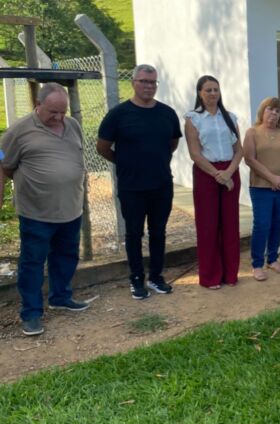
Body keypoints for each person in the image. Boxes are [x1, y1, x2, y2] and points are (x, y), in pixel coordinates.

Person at [1, 83, 89, 336]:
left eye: (63, 111)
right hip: (36, 212)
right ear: (37, 105)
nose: (59, 117)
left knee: (66, 256)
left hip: (70, 208)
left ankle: (60, 297)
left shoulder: (73, 125)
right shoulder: (19, 131)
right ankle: (31, 313)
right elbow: (3, 163)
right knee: (33, 262)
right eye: (53, 112)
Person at [97, 64, 183, 299]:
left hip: (161, 184)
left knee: (159, 232)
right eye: (144, 81)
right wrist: (125, 162)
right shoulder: (118, 114)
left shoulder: (167, 113)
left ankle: (156, 277)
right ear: (133, 83)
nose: (148, 86)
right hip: (132, 187)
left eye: (152, 82)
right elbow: (102, 147)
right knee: (134, 233)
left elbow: (172, 143)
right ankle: (136, 279)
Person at [184, 75, 243, 289]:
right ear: (200, 93)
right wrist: (218, 175)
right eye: (208, 90)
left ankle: (230, 274)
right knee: (208, 226)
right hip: (206, 173)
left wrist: (228, 173)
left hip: (230, 171)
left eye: (215, 89)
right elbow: (195, 153)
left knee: (230, 225)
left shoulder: (230, 118)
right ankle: (211, 277)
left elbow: (239, 150)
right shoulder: (193, 119)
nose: (212, 93)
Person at [244, 97, 280, 281]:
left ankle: (273, 259)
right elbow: (250, 159)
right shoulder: (252, 132)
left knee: (277, 222)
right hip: (261, 187)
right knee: (262, 224)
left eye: (277, 111)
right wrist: (272, 178)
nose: (274, 114)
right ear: (262, 111)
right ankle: (257, 264)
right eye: (270, 109)